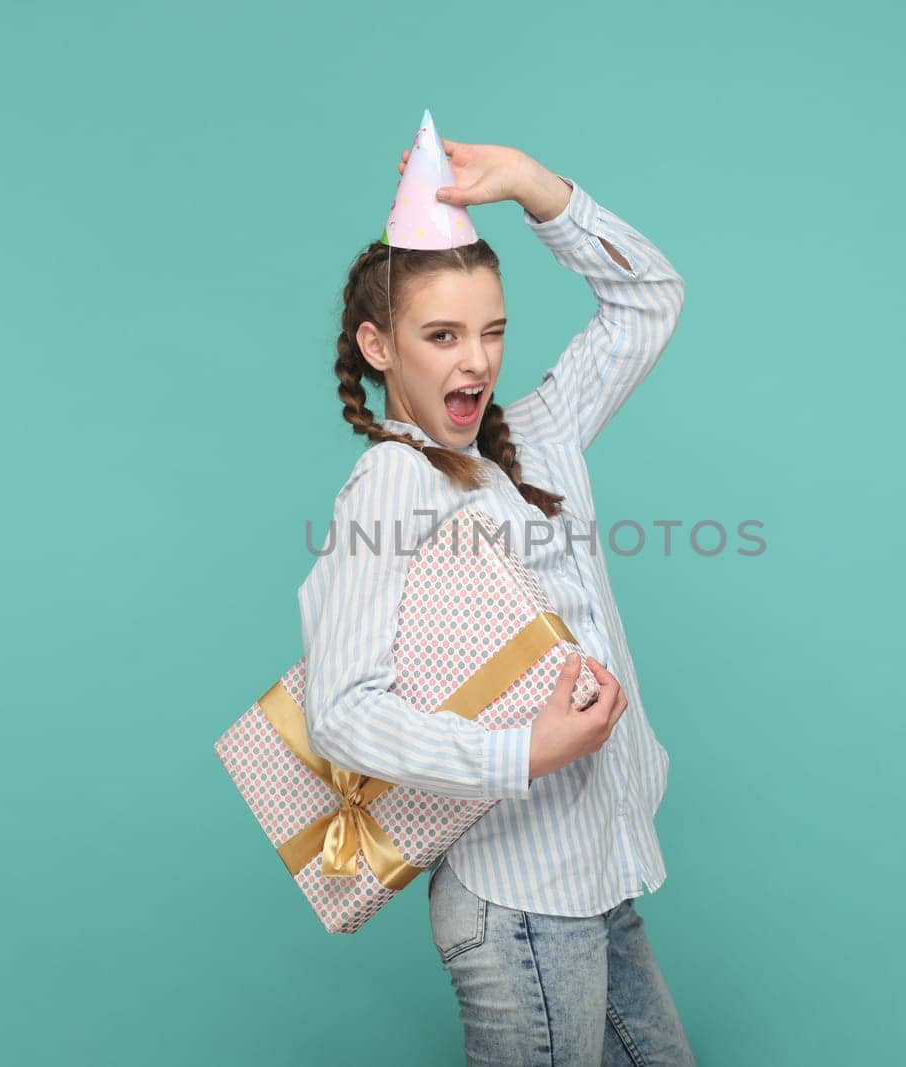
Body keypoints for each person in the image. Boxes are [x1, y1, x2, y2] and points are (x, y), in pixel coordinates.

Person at [296, 115, 695, 1065]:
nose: (474, 359)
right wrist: (525, 751)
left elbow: (649, 300)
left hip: (597, 878)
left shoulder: (538, 437)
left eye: (491, 332)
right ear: (380, 347)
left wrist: (531, 184)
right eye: (441, 335)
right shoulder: (395, 482)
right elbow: (339, 710)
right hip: (519, 899)